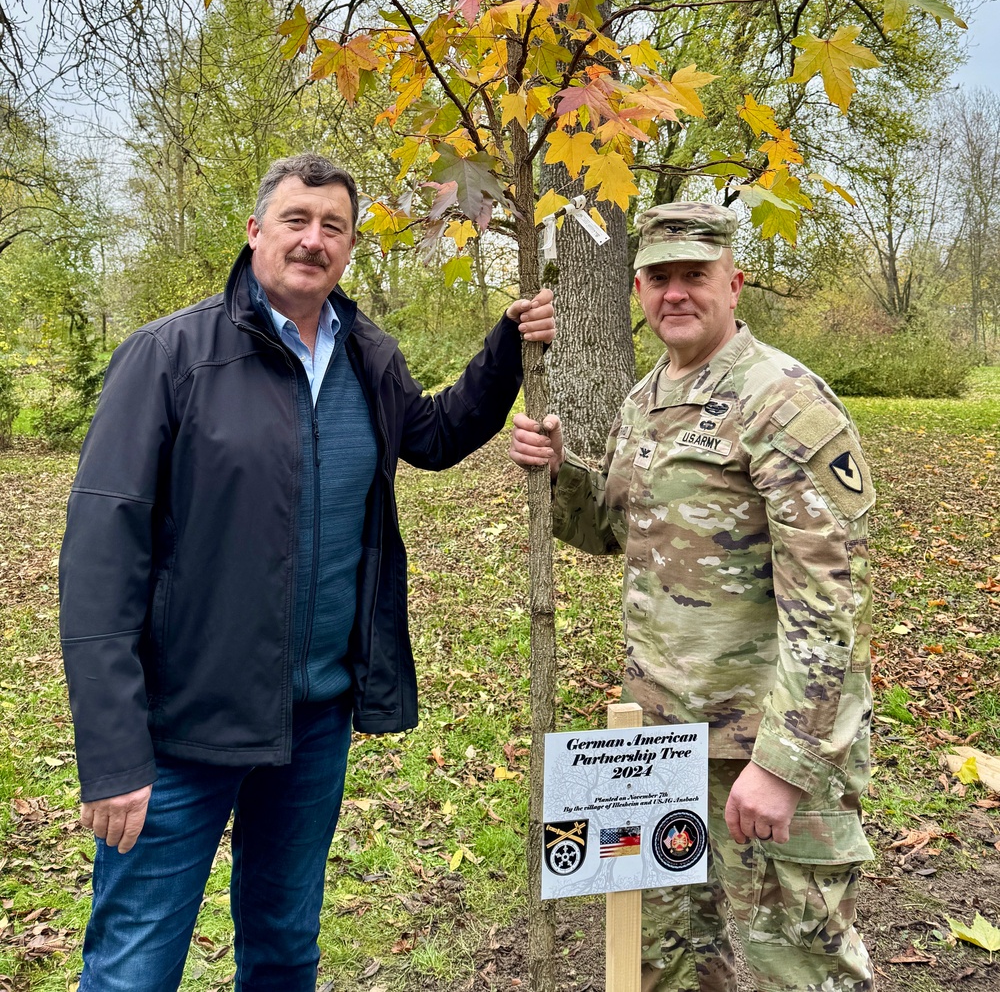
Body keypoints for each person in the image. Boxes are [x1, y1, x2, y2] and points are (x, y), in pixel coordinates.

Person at [60, 152, 554, 992]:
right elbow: (100, 559)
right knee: (134, 970)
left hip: (313, 724)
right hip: (180, 729)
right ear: (255, 231)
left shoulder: (366, 352)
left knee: (286, 951)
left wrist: (507, 347)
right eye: (296, 219)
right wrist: (113, 756)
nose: (313, 239)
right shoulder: (169, 356)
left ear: (351, 247)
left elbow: (431, 436)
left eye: (333, 226)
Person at [510, 201, 875, 992]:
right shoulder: (646, 398)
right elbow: (612, 532)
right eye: (660, 277)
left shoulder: (782, 400)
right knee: (666, 958)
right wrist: (560, 471)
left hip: (759, 745)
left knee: (800, 963)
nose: (676, 292)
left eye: (695, 276)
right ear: (638, 289)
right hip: (659, 745)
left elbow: (830, 603)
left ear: (733, 283)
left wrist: (785, 764)